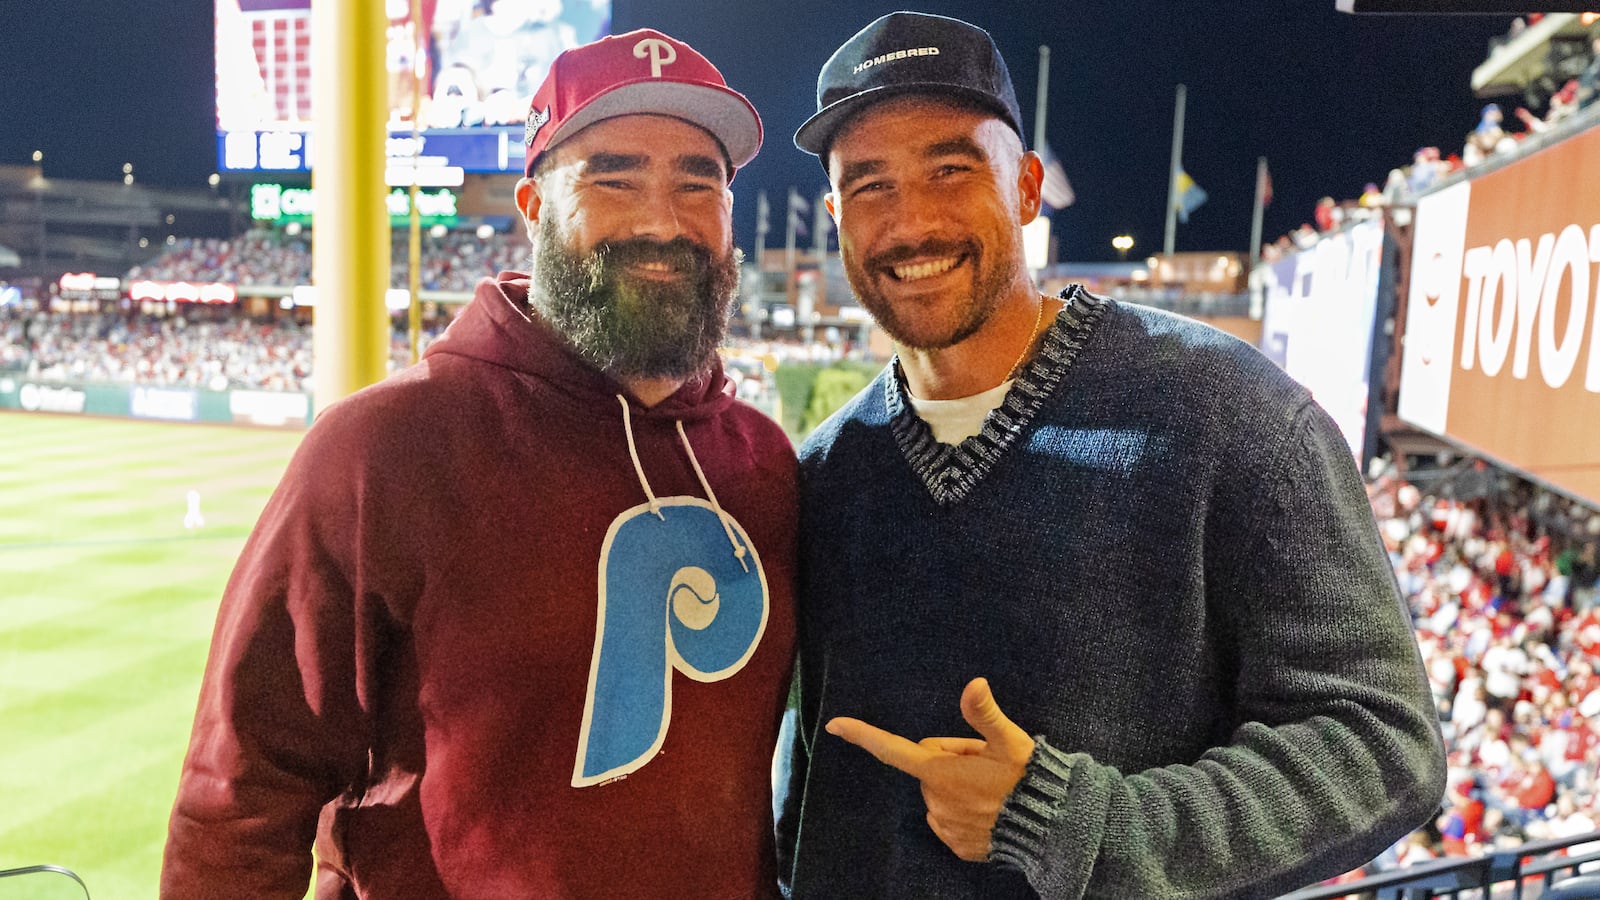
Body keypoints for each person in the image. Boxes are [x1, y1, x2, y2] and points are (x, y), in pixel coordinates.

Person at [776, 12, 1446, 898]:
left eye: (950, 168)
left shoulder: (1230, 414)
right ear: (835, 216)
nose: (911, 222)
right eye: (869, 185)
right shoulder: (827, 469)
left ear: (1025, 187)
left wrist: (1067, 822)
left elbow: (1380, 741)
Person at [162, 28, 797, 899]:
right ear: (534, 207)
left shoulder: (765, 464)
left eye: (700, 180)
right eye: (613, 176)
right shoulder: (381, 448)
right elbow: (243, 791)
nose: (663, 219)